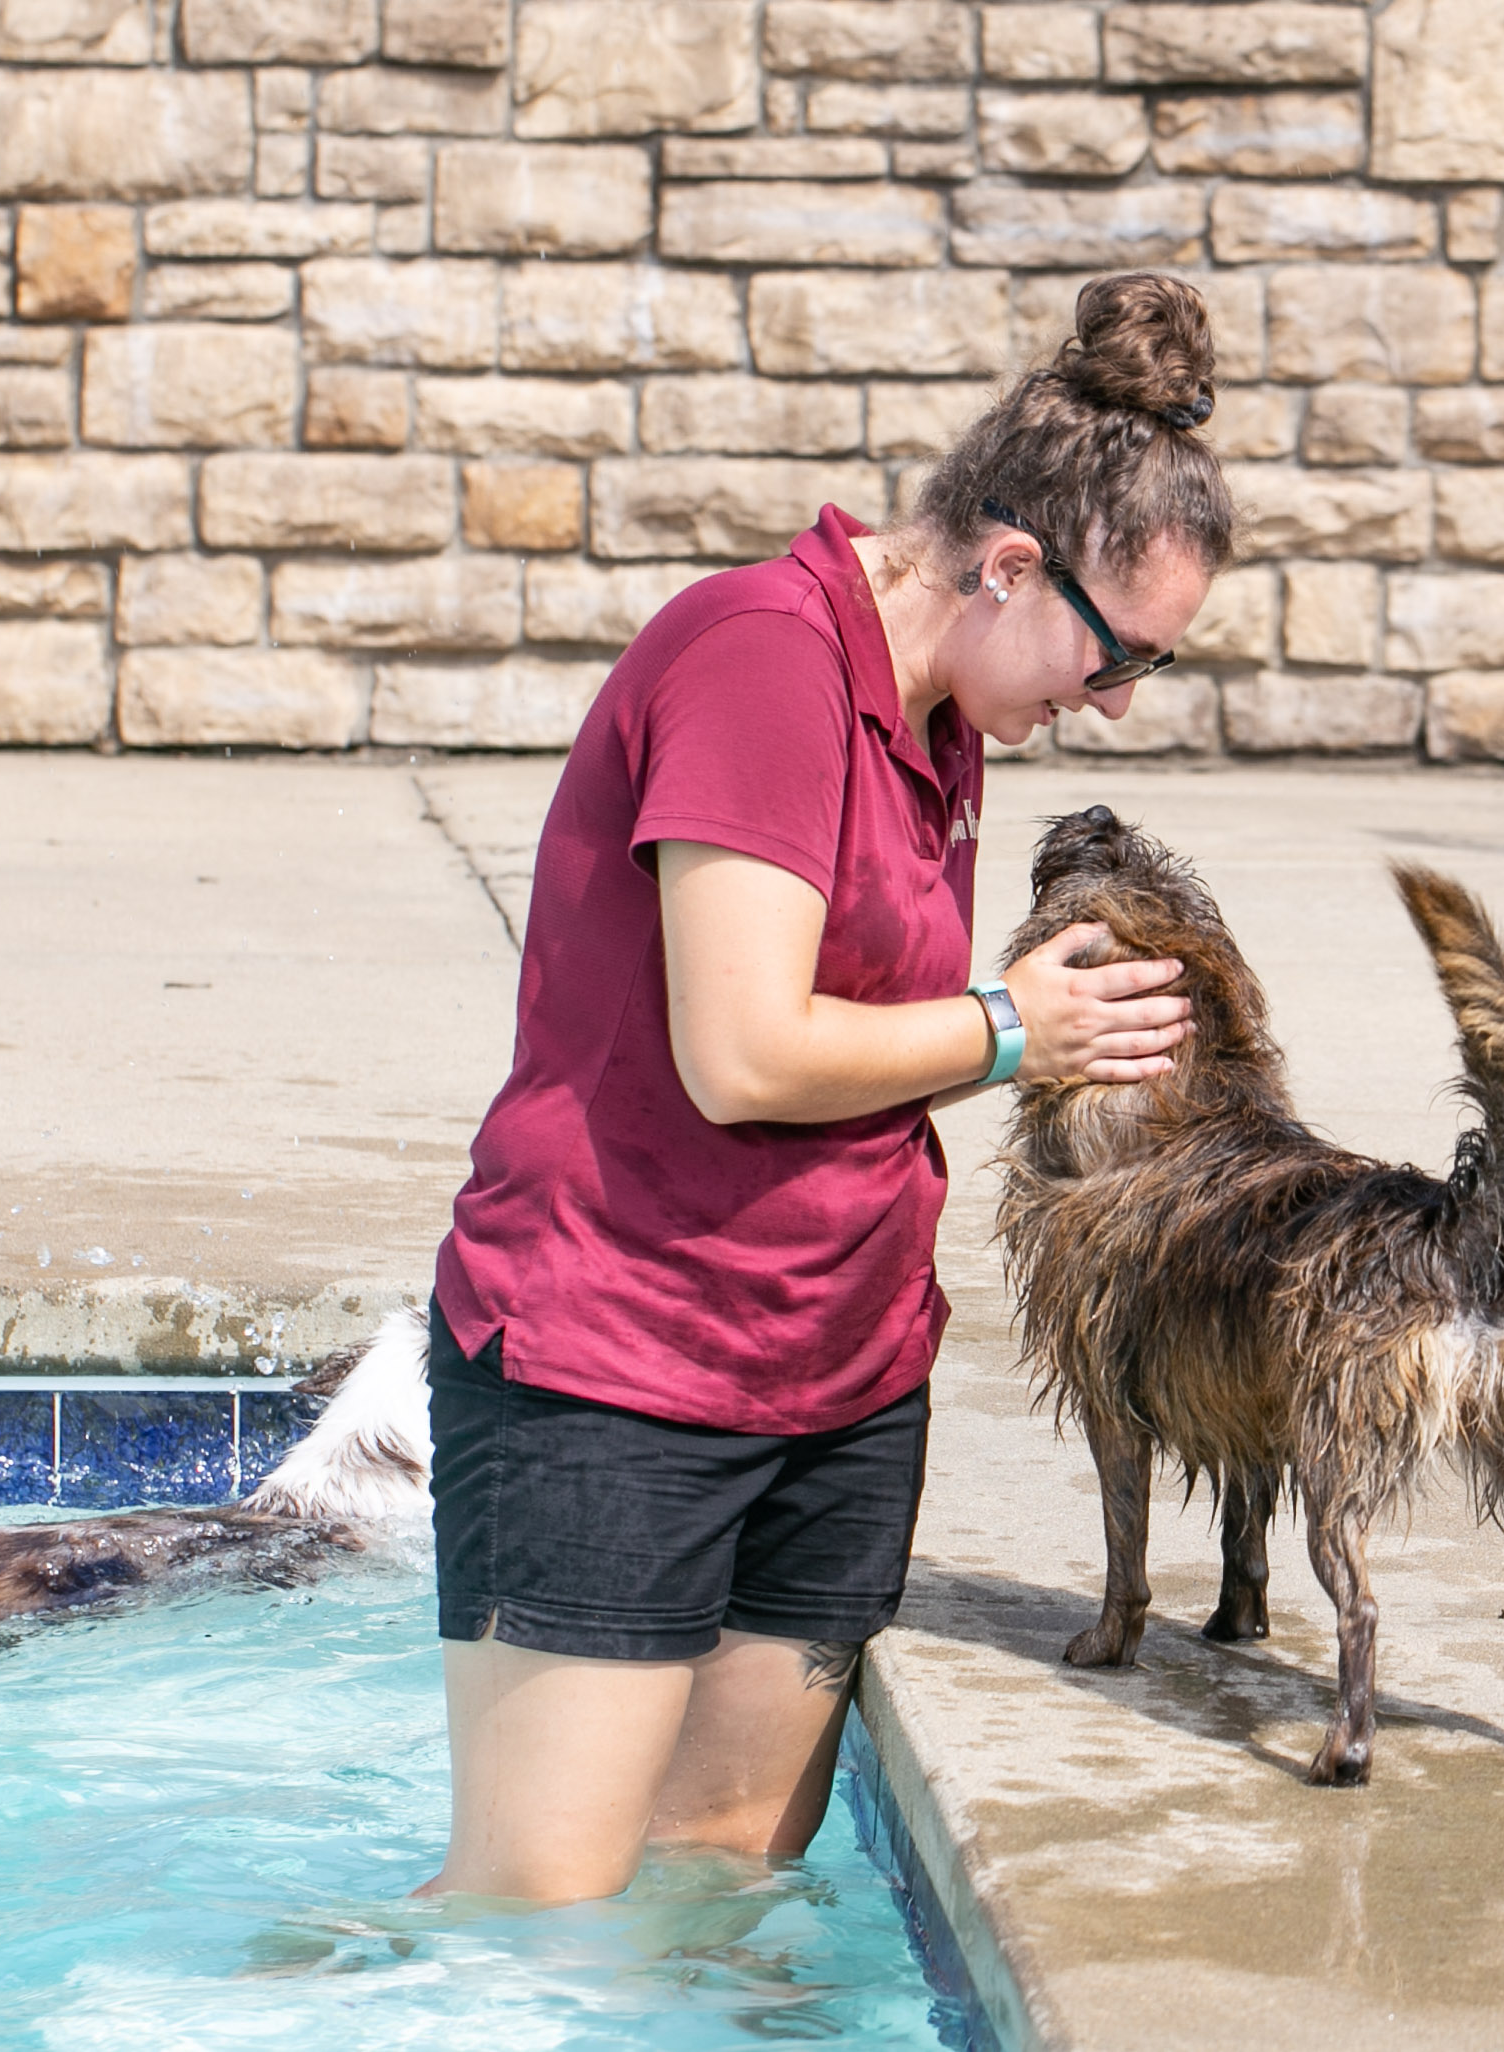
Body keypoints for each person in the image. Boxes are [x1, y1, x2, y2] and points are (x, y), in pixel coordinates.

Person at [416, 271, 1237, 1904]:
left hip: (836, 1379)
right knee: (531, 1910)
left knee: (723, 1879)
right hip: (612, 1369)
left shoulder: (940, 713)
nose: (1121, 704)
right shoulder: (760, 660)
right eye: (1117, 654)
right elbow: (745, 1054)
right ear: (1010, 567)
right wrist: (1016, 1030)